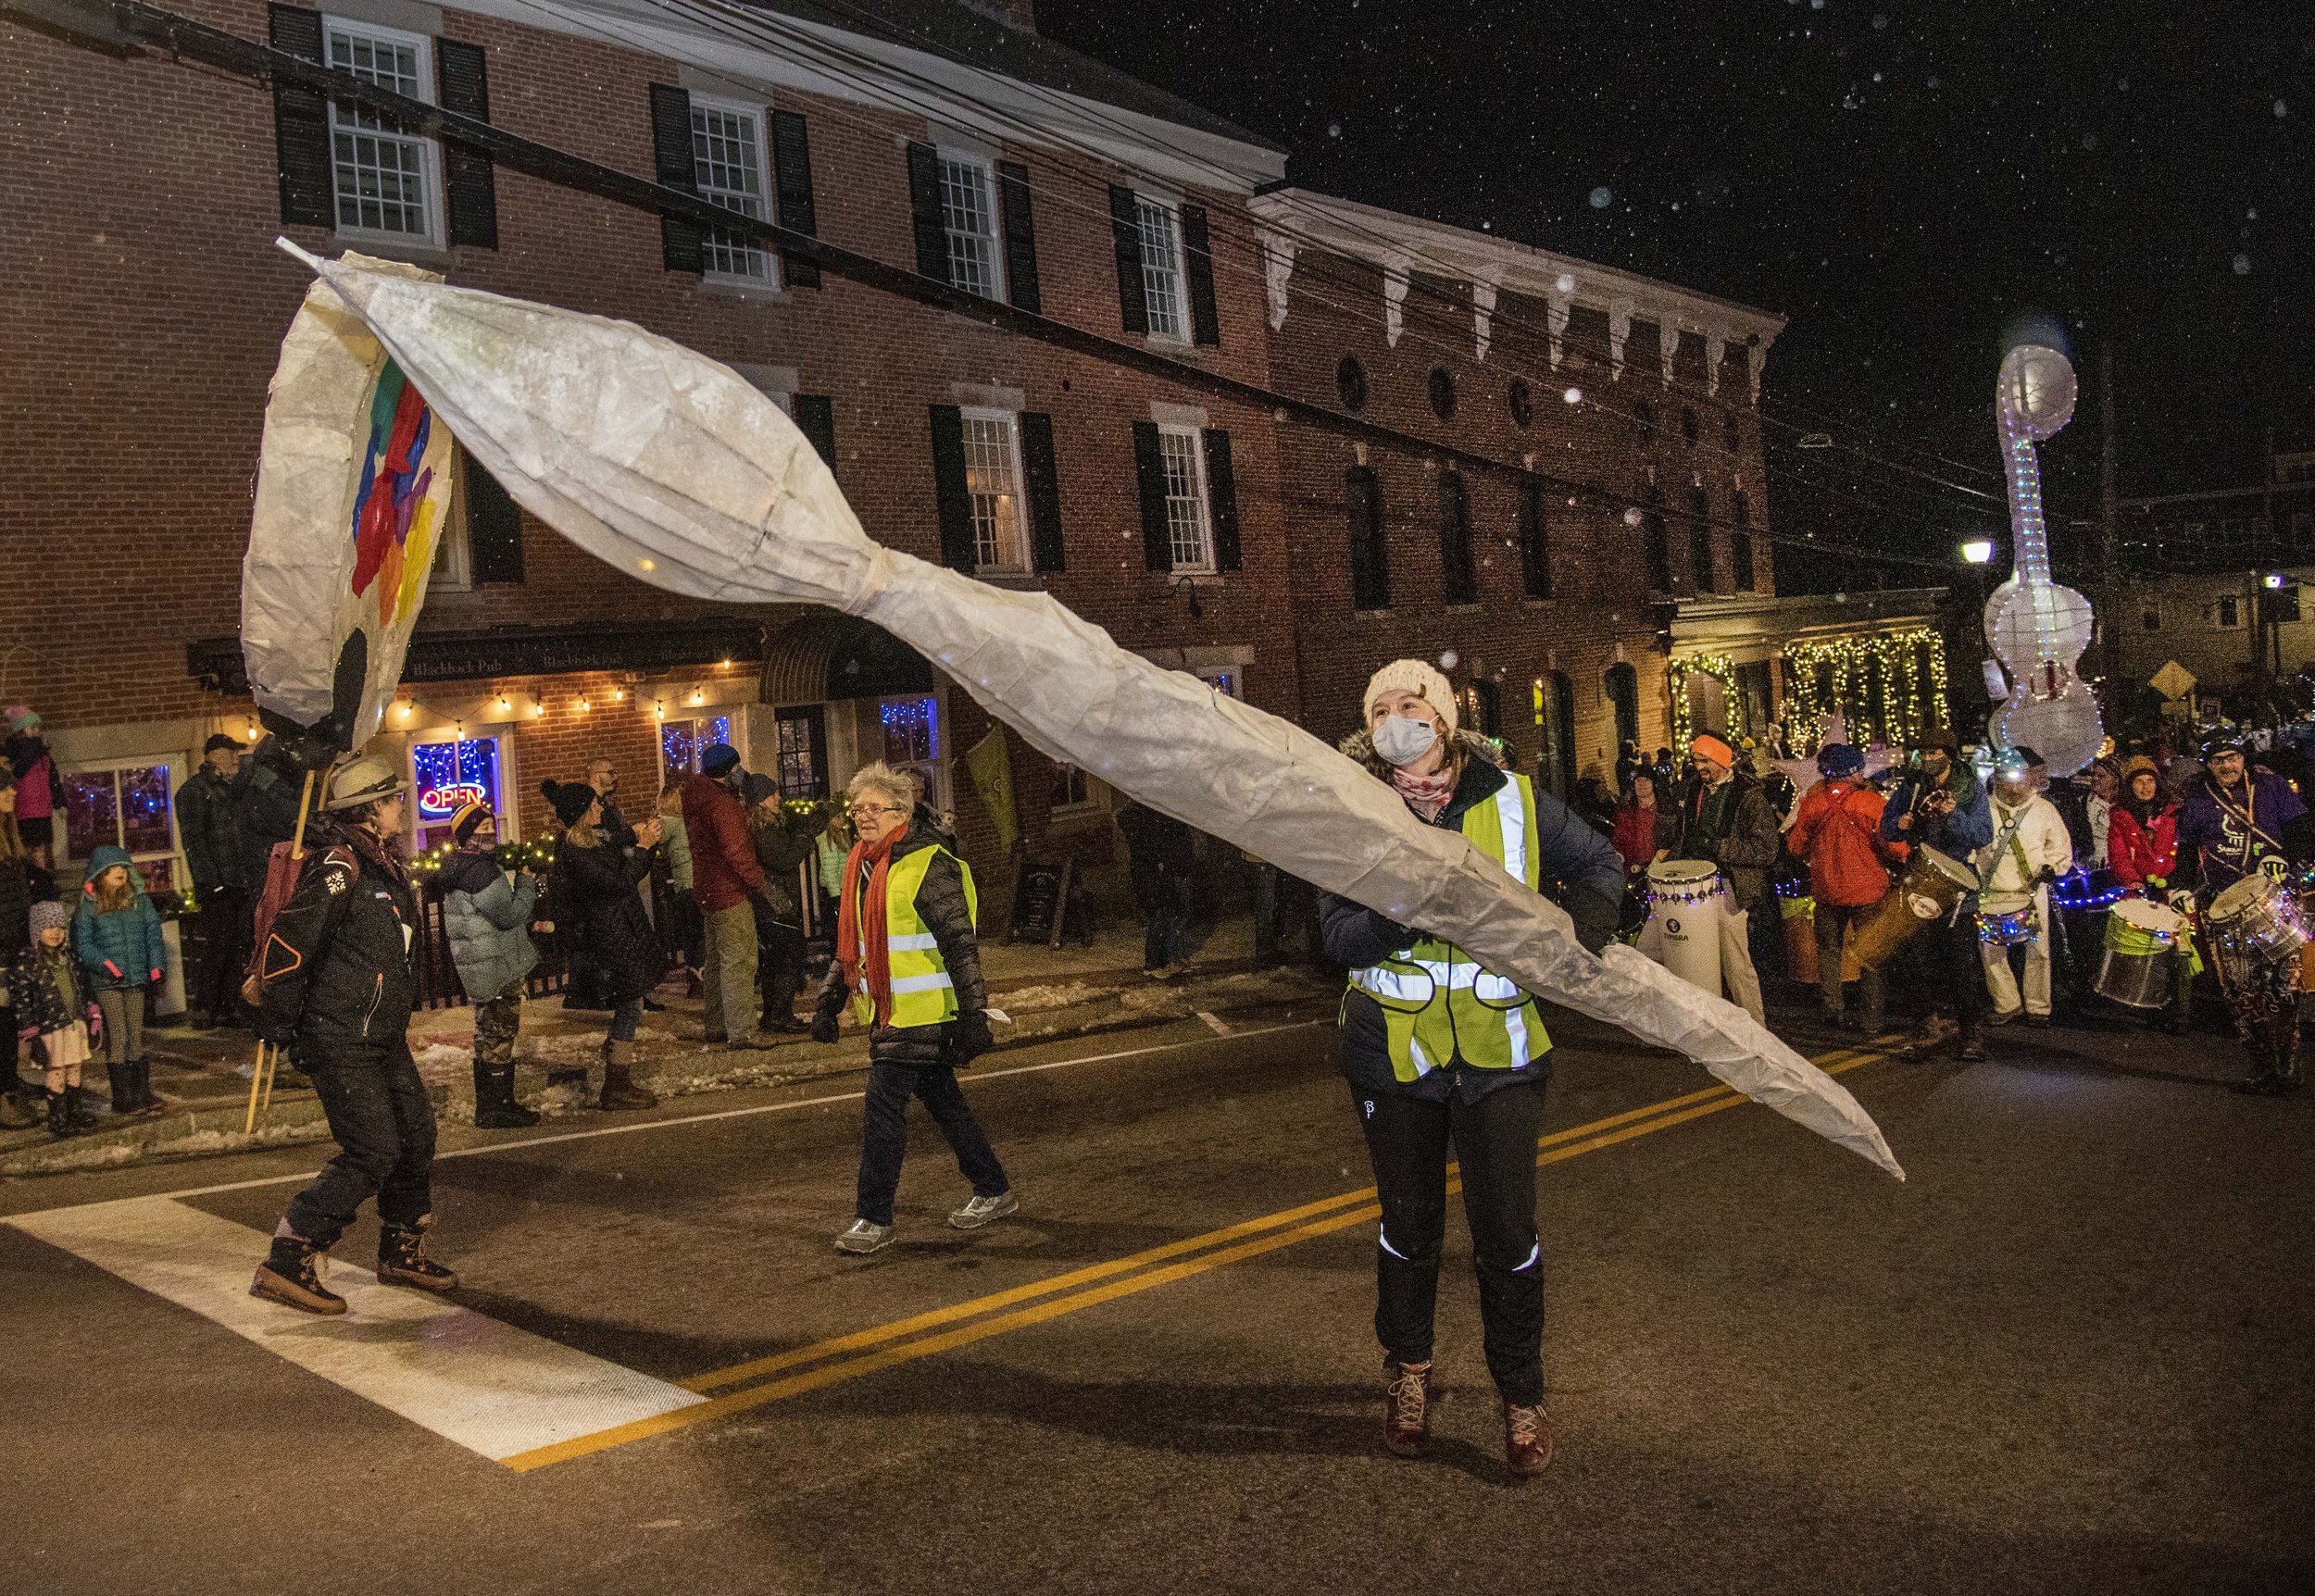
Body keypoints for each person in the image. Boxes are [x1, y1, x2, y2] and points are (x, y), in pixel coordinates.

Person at [1317, 660, 1622, 1480]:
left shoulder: (1514, 799)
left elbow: (1601, 867)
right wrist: (1399, 914)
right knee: (1407, 1232)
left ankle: (1521, 1398)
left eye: (1412, 703)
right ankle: (1408, 1375)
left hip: (1501, 1057)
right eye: (1380, 708)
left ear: (1445, 719)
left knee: (1508, 1240)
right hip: (1395, 1058)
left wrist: (1577, 943)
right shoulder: (1351, 810)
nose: (1396, 719)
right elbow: (1336, 940)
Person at [249, 755, 456, 1315]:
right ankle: (288, 1257)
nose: (402, 807)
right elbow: (291, 946)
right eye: (393, 799)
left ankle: (401, 1249)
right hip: (338, 1035)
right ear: (369, 808)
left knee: (416, 1135)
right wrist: (278, 1024)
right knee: (372, 1148)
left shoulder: (384, 863)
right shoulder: (339, 867)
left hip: (380, 1034)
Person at [811, 761, 1014, 1254]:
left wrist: (973, 1013)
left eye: (874, 808)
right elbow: (854, 943)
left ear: (901, 812)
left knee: (883, 1109)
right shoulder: (865, 864)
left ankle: (873, 1218)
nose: (863, 816)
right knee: (944, 1102)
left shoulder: (928, 864)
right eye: (857, 808)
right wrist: (830, 997)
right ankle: (993, 1187)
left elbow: (960, 945)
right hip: (890, 1010)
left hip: (925, 1011)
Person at [2179, 732, 2309, 1094]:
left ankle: (2289, 1067)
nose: (2226, 765)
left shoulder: (2271, 787)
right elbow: (2187, 852)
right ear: (2208, 765)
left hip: (2275, 897)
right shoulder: (2197, 800)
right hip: (2223, 905)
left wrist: (2282, 857)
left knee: (2282, 987)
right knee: (2240, 992)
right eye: (2218, 759)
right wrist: (2181, 886)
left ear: (2243, 758)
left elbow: (2302, 832)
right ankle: (2263, 1067)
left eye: (2232, 757)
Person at [541, 780, 661, 1110]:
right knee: (629, 1004)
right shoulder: (576, 854)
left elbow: (617, 845)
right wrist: (645, 848)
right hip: (609, 937)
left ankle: (617, 1074)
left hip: (620, 932)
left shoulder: (592, 842)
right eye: (594, 804)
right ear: (580, 813)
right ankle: (616, 1084)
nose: (600, 807)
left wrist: (638, 836)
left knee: (631, 1003)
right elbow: (618, 882)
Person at [1881, 726, 1996, 1061]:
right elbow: (1887, 825)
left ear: (1948, 754)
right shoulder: (1912, 786)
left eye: (1934, 753)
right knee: (1914, 958)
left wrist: (1953, 815)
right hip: (1919, 880)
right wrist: (1897, 825)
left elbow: (1983, 833)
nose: (1928, 759)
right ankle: (1926, 1024)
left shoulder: (1969, 788)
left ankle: (1970, 1029)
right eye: (1924, 753)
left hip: (1956, 886)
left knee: (1960, 962)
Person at [440, 802, 542, 1128]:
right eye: (482, 829)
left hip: (482, 964)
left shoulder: (459, 868)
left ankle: (491, 1104)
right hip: (495, 966)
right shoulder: (480, 872)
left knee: (487, 1034)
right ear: (466, 835)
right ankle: (497, 1106)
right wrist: (526, 883)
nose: (491, 834)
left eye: (491, 827)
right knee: (500, 1033)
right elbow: (511, 913)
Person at [1785, 743, 1893, 1034]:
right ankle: (1871, 1020)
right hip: (1867, 891)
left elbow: (1795, 846)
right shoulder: (1871, 803)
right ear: (1854, 771)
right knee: (1871, 954)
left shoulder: (1814, 804)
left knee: (1829, 952)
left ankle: (1833, 1010)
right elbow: (1893, 846)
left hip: (1827, 892)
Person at [682, 744, 779, 1049]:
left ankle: (716, 1024)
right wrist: (760, 883)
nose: (741, 773)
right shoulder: (722, 806)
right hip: (729, 892)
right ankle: (743, 1032)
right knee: (739, 962)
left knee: (715, 963)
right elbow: (737, 852)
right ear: (727, 773)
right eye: (736, 768)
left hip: (706, 888)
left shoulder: (695, 796)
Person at [1671, 732, 1783, 991]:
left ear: (1722, 760)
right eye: (1695, 760)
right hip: (1689, 885)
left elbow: (1766, 849)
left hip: (1726, 886)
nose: (1698, 767)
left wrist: (1720, 847)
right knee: (1675, 954)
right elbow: (1681, 835)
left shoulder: (1749, 796)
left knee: (1736, 965)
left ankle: (1754, 1029)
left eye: (1704, 760)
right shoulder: (1691, 790)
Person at [1971, 747, 2073, 1028]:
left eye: (2018, 776)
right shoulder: (1983, 808)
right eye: (2006, 777)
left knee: (2038, 950)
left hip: (2032, 888)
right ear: (1997, 779)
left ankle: (2039, 1007)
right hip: (1991, 889)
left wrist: (2052, 868)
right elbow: (1971, 847)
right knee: (1991, 950)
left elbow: (2060, 847)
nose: (2013, 783)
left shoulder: (2044, 809)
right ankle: (2007, 1003)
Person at [71, 844, 168, 1117]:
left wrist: (156, 966)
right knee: (119, 1032)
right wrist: (106, 966)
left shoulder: (139, 901)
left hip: (135, 976)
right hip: (108, 982)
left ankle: (141, 1091)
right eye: (114, 869)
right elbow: (84, 944)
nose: (120, 873)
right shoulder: (89, 907)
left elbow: (152, 932)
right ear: (101, 874)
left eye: (123, 868)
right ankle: (123, 1095)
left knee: (136, 1033)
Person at [2108, 756, 2191, 1033]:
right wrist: (2132, 880)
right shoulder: (2120, 816)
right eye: (2139, 782)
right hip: (2141, 890)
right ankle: (2150, 1002)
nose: (2145, 787)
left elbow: (2185, 847)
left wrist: (2175, 878)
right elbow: (2118, 854)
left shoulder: (2174, 812)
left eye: (2150, 780)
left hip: (2171, 888)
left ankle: (2180, 1011)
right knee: (2148, 949)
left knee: (2180, 950)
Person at [176, 732, 251, 1029]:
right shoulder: (195, 791)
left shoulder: (234, 789)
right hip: (218, 885)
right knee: (218, 945)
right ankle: (206, 1006)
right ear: (215, 755)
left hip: (239, 881)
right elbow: (194, 841)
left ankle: (229, 1005)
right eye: (231, 752)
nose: (236, 758)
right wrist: (211, 880)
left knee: (236, 946)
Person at [13, 902, 97, 1138]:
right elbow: (22, 999)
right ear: (37, 930)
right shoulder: (27, 962)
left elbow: (82, 985)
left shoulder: (69, 957)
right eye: (48, 927)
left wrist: (91, 1010)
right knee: (56, 1070)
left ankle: (74, 1111)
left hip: (73, 1023)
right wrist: (29, 1031)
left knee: (74, 1067)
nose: (55, 932)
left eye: (59, 927)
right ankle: (58, 1117)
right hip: (50, 1028)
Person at [742, 772, 813, 1032]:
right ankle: (779, 1015)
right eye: (773, 794)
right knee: (786, 957)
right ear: (761, 799)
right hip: (775, 900)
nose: (777, 798)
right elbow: (785, 859)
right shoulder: (763, 829)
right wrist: (805, 838)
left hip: (774, 899)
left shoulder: (766, 825)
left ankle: (776, 1014)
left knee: (778, 959)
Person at [1117, 797, 1197, 979]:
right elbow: (1145, 848)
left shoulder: (1147, 819)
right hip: (1153, 875)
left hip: (1158, 873)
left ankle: (1162, 960)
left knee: (1166, 914)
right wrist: (1160, 862)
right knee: (1161, 916)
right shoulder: (1143, 820)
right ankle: (1154, 963)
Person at [0, 771, 40, 1128]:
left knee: (9, 1023)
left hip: (13, 949)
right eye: (4, 786)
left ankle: (10, 1084)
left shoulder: (10, 841)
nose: (12, 790)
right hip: (0, 952)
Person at [4, 706, 65, 869]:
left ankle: (43, 877)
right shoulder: (15, 752)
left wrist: (59, 803)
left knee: (42, 848)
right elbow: (19, 771)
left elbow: (53, 779)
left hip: (42, 809)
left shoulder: (42, 754)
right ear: (21, 730)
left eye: (38, 727)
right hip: (24, 811)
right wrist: (35, 747)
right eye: (33, 728)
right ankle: (33, 877)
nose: (37, 731)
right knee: (29, 848)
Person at [655, 783, 702, 988]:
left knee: (690, 933)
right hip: (695, 881)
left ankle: (693, 977)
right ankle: (700, 973)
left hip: (682, 883)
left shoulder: (664, 826)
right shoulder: (684, 823)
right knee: (701, 931)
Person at [1609, 769, 1676, 877]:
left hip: (1663, 871)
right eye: (1638, 780)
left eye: (1647, 780)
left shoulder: (1666, 811)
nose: (1642, 784)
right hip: (1635, 872)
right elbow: (1619, 842)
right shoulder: (1626, 814)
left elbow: (1675, 841)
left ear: (1654, 783)